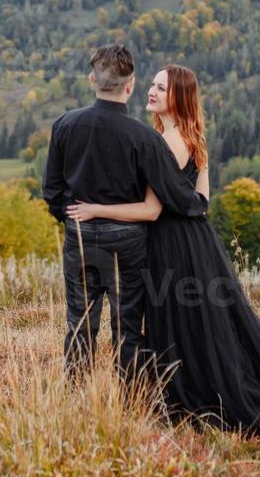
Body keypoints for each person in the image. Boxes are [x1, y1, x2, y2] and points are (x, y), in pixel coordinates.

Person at [66, 63, 260, 440]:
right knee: (199, 323)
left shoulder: (165, 142)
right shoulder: (192, 137)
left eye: (160, 88)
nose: (151, 92)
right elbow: (203, 199)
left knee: (178, 321)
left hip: (170, 243)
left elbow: (150, 210)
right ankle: (186, 386)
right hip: (198, 240)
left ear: (178, 97)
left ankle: (182, 396)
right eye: (152, 85)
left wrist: (96, 209)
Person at [41, 46, 208, 385]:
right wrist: (198, 201)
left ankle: (76, 395)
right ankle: (128, 399)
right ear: (130, 86)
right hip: (129, 241)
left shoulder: (65, 125)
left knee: (80, 321)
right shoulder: (145, 137)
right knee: (127, 324)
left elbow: (52, 190)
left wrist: (73, 218)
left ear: (92, 80)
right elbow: (174, 194)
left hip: (81, 235)